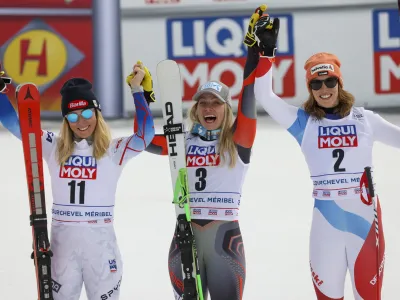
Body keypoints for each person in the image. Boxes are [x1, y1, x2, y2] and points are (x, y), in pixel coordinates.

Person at [251, 9, 400, 299]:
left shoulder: (365, 120)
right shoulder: (303, 123)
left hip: (365, 219)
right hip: (326, 223)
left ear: (339, 83)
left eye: (329, 81)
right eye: (315, 84)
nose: (323, 89)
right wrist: (266, 53)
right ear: (310, 88)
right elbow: (265, 97)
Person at [134, 6, 268, 300]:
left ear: (226, 109)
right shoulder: (181, 141)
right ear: (195, 108)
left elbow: (250, 94)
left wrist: (253, 53)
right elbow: (142, 140)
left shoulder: (238, 140)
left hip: (224, 241)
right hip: (186, 235)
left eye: (216, 103)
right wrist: (140, 96)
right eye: (203, 102)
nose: (209, 108)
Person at [0, 62, 155, 300]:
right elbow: (18, 126)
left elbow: (146, 135)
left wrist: (138, 91)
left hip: (101, 249)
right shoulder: (53, 145)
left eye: (86, 113)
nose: (81, 121)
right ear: (65, 119)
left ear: (97, 112)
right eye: (72, 115)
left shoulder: (113, 150)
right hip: (62, 248)